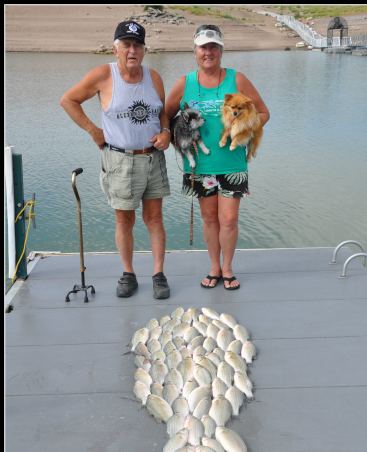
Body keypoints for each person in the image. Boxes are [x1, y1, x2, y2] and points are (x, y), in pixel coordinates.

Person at [60, 21, 171, 299]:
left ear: (144, 49)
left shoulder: (154, 77)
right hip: (120, 161)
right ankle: (128, 274)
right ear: (115, 48)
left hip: (153, 159)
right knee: (124, 222)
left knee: (155, 218)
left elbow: (162, 113)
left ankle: (158, 274)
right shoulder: (103, 75)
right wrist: (93, 130)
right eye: (126, 45)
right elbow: (68, 100)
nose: (132, 50)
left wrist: (167, 132)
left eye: (137, 45)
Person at [165, 25, 270, 290]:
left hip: (232, 164)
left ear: (221, 50)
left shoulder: (237, 79)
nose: (208, 52)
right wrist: (172, 136)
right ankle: (214, 267)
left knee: (229, 219)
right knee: (210, 219)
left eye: (213, 46)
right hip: (200, 165)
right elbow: (165, 116)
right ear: (195, 51)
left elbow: (263, 112)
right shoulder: (185, 83)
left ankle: (228, 268)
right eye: (203, 47)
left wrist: (244, 130)